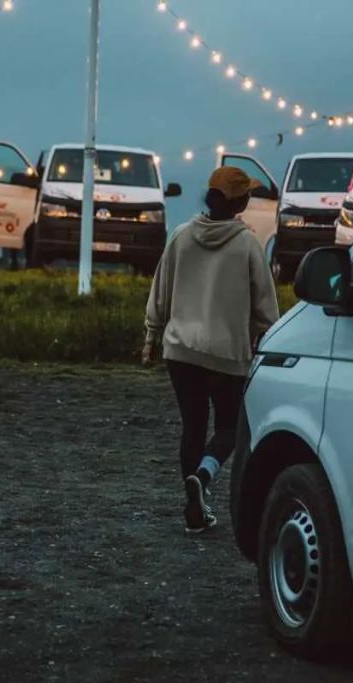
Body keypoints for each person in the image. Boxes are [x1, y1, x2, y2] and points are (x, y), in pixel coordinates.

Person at [143, 166, 279, 534]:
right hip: (226, 354)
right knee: (231, 427)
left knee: (193, 425)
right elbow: (266, 307)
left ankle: (195, 509)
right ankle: (204, 475)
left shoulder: (181, 236)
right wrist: (271, 341)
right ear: (240, 201)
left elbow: (161, 289)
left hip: (180, 351)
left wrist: (151, 336)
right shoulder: (247, 244)